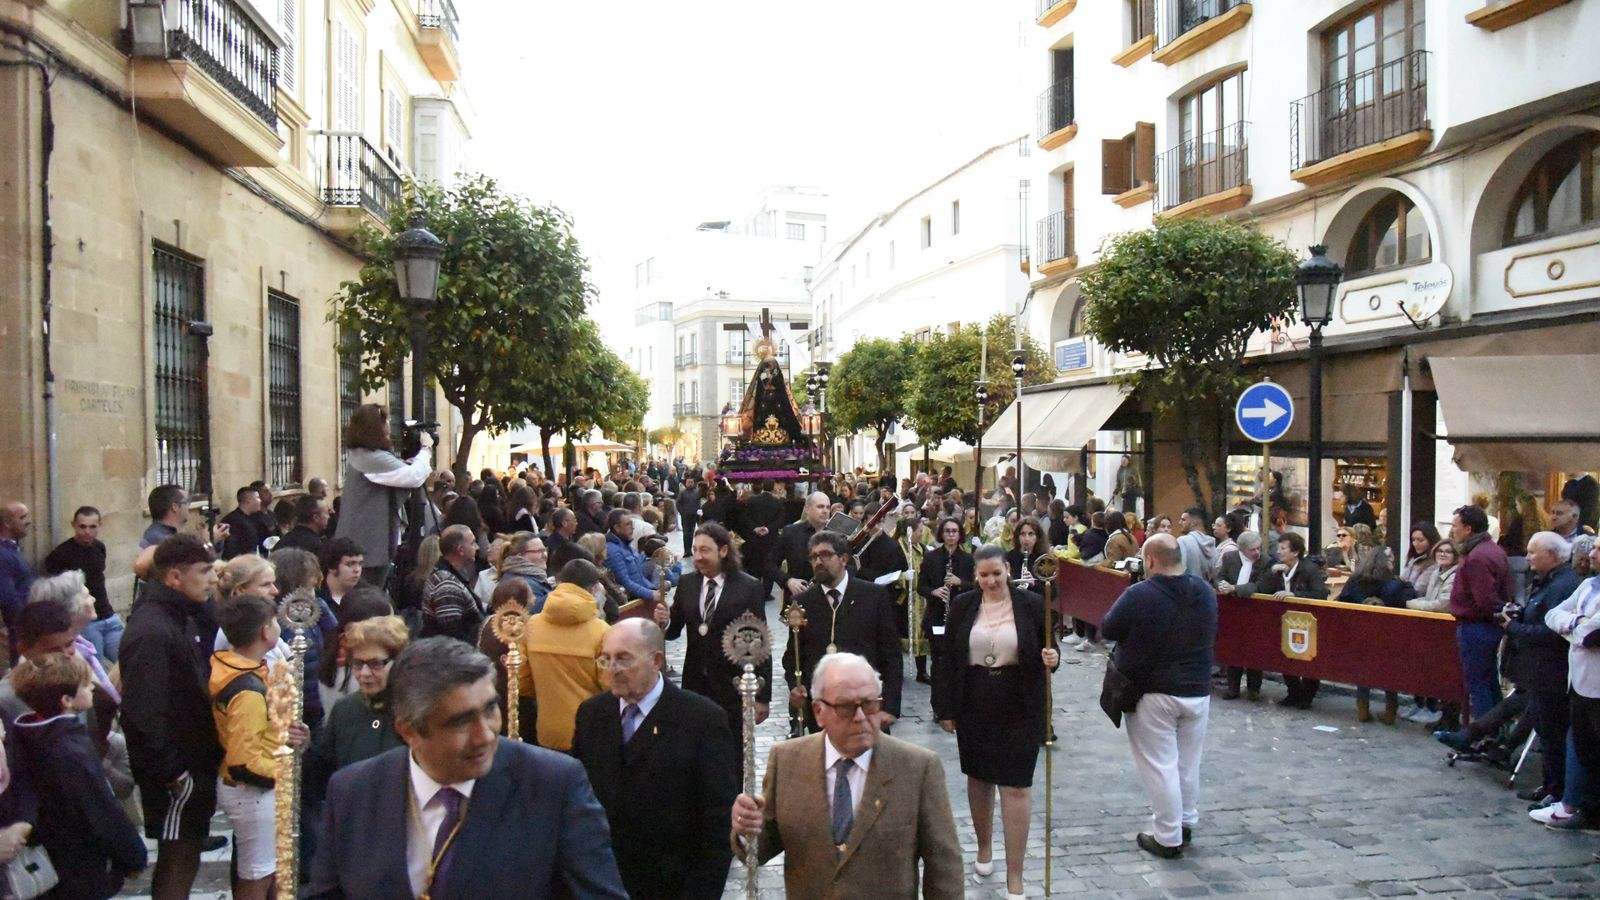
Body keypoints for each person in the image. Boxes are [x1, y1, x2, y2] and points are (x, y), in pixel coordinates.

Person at [306, 637, 627, 899]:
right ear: (409, 731)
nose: (485, 735)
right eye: (460, 722)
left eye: (490, 709)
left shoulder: (552, 785)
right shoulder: (353, 791)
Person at [730, 652, 963, 899]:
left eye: (869, 704)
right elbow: (761, 849)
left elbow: (944, 870)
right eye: (845, 707)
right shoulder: (787, 761)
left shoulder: (918, 768)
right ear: (819, 712)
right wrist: (746, 827)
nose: (861, 718)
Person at [571, 620, 738, 899]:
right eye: (606, 659)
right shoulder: (591, 715)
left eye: (624, 658)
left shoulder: (702, 719)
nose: (612, 669)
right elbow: (578, 802)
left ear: (656, 660)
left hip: (673, 884)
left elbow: (719, 821)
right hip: (605, 883)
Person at [933, 544, 1059, 895]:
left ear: (1008, 570)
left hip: (1018, 700)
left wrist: (1052, 658)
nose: (990, 581)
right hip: (974, 698)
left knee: (1017, 785)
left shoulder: (1032, 604)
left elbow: (1050, 646)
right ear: (976, 574)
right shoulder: (963, 605)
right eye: (984, 575)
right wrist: (945, 707)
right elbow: (949, 658)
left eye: (997, 574)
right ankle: (984, 847)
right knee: (979, 778)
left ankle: (1015, 875)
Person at [120, 533, 225, 899]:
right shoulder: (153, 630)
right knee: (177, 857)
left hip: (193, 759)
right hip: (177, 770)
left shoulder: (182, 615)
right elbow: (143, 712)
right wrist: (173, 773)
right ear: (174, 577)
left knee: (188, 851)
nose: (212, 579)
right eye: (204, 571)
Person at [1100, 533, 1217, 859]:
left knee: (1160, 765)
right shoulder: (1205, 592)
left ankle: (1167, 835)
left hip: (1153, 690)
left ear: (1150, 561)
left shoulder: (1140, 593)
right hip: (1197, 690)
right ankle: (1185, 821)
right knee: (1187, 763)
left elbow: (1108, 627)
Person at [10, 653, 147, 898]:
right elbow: (100, 809)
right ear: (67, 700)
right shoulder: (69, 750)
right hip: (80, 863)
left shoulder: (28, 737)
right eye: (85, 685)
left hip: (58, 859)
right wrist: (133, 855)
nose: (92, 688)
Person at [210, 593, 310, 900]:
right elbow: (245, 759)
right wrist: (284, 771)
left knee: (272, 871)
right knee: (258, 874)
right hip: (253, 790)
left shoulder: (239, 668)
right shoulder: (246, 690)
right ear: (266, 632)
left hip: (256, 786)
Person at [657, 523, 770, 735]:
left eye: (705, 550)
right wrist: (664, 622)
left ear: (724, 550)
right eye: (695, 550)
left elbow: (760, 643)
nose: (698, 556)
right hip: (695, 686)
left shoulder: (748, 587)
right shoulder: (687, 584)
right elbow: (673, 632)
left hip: (732, 688)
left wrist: (762, 697)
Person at [786, 532, 904, 733]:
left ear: (843, 559)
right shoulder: (804, 602)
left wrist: (890, 707)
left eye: (825, 555)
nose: (818, 561)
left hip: (864, 706)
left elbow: (891, 654)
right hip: (824, 710)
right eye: (813, 557)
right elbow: (793, 655)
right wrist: (795, 686)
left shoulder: (873, 596)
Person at [1504, 532, 1582, 808]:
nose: (1527, 558)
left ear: (1551, 555)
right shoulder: (1549, 582)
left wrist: (1513, 627)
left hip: (1552, 671)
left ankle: (1557, 791)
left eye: (1533, 552)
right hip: (1538, 670)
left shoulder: (1563, 585)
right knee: (1545, 729)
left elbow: (1552, 632)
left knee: (1553, 733)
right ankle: (1550, 786)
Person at [307, 615, 409, 804]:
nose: (364, 674)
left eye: (376, 664)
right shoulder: (345, 709)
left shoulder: (415, 710)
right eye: (358, 664)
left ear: (398, 661)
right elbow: (323, 775)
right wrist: (305, 747)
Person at [335, 403, 433, 586]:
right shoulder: (371, 458)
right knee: (367, 596)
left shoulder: (363, 456)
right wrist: (425, 450)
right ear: (374, 427)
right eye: (385, 421)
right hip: (368, 547)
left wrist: (404, 464)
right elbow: (413, 477)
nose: (389, 426)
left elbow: (400, 474)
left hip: (364, 544)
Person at [519, 559, 612, 751]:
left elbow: (523, 683)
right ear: (594, 588)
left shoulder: (531, 626)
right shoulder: (601, 631)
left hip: (548, 731)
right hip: (591, 732)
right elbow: (610, 686)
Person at [1336, 548, 1417, 724]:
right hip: (1388, 633)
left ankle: (1363, 707)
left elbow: (1342, 602)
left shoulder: (1356, 581)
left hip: (1361, 632)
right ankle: (1390, 709)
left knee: (1363, 669)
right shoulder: (1394, 584)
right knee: (1389, 671)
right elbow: (1408, 601)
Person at [1450, 504, 1514, 718]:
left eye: (1455, 526)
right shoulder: (1492, 550)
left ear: (1468, 529)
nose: (1453, 531)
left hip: (1477, 626)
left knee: (1478, 684)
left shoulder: (1477, 556)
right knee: (1488, 681)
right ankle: (1495, 730)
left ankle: (1483, 736)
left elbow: (1484, 599)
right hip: (1486, 625)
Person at [1268, 533, 1329, 709]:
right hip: (1286, 621)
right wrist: (1272, 574)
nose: (1279, 552)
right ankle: (1293, 692)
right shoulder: (1278, 568)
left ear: (1295, 552)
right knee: (1286, 656)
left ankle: (1307, 696)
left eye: (1283, 548)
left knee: (1308, 658)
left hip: (1307, 622)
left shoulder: (1309, 569)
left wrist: (1295, 595)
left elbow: (1320, 593)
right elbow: (1264, 588)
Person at [918, 516, 975, 683]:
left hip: (960, 617)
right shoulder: (931, 557)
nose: (951, 535)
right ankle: (937, 702)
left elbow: (975, 587)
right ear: (941, 534)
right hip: (936, 614)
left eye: (954, 531)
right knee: (938, 660)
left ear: (960, 534)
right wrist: (934, 592)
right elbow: (921, 586)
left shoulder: (967, 559)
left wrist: (960, 583)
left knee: (959, 660)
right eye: (947, 531)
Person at [1215, 531, 1266, 700]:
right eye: (1253, 550)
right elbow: (1218, 577)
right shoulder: (1230, 558)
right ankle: (1233, 687)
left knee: (1255, 651)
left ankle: (1254, 689)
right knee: (1233, 650)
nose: (1257, 552)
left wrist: (1235, 589)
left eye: (1259, 548)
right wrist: (1221, 584)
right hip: (1234, 610)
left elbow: (1258, 586)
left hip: (1255, 612)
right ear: (1242, 549)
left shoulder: (1265, 562)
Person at [421, 525, 484, 643]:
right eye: (473, 543)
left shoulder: (450, 576)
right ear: (460, 550)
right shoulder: (446, 584)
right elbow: (452, 636)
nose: (477, 547)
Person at [0, 500, 35, 647]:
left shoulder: (12, 548)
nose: (28, 522)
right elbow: (8, 598)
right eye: (22, 517)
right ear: (7, 523)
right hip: (22, 631)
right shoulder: (3, 554)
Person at [496, 532, 555, 613]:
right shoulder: (523, 584)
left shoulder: (530, 578)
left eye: (544, 550)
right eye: (538, 551)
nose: (544, 555)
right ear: (520, 556)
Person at [220, 486, 269, 560]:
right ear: (249, 501)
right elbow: (231, 550)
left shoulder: (255, 518)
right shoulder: (232, 521)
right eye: (257, 498)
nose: (260, 501)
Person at [1003, 516, 1050, 591]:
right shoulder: (1008, 557)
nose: (1026, 538)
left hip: (1035, 600)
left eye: (1031, 534)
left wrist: (1034, 584)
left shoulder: (1044, 559)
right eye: (1022, 534)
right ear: (1018, 537)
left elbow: (1053, 593)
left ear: (1037, 537)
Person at [1175, 507, 1217, 582]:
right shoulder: (1211, 543)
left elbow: (1180, 569)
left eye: (1183, 520)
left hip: (1188, 589)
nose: (1179, 522)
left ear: (1195, 522)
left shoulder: (1183, 541)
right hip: (1207, 589)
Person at [1401, 522, 1442, 593]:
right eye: (1413, 540)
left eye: (1420, 540)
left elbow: (1419, 589)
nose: (1415, 544)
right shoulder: (1412, 558)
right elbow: (1402, 579)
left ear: (1431, 540)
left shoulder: (1434, 563)